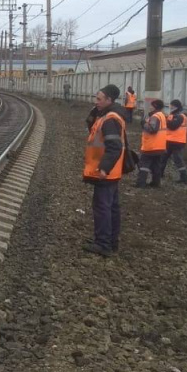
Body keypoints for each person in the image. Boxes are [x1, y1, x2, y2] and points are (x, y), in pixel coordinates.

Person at [83, 84, 126, 258]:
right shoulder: (107, 116)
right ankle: (110, 242)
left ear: (109, 100)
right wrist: (95, 111)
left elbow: (114, 147)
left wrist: (104, 168)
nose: (96, 101)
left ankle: (103, 244)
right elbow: (91, 126)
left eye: (99, 99)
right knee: (112, 208)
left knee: (103, 208)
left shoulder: (109, 120)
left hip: (105, 173)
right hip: (110, 172)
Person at [137, 99, 167, 188]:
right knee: (156, 166)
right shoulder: (162, 115)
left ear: (155, 106)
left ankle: (141, 183)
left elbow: (152, 129)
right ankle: (155, 183)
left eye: (151, 105)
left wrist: (144, 123)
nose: (150, 107)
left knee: (143, 165)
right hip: (160, 146)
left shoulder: (155, 116)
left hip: (151, 146)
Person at [159, 99, 187, 184]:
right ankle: (160, 174)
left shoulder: (180, 116)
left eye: (172, 105)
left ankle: (184, 178)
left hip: (177, 142)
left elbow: (173, 126)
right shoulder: (173, 115)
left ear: (176, 106)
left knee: (178, 160)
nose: (170, 107)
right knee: (163, 158)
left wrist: (165, 120)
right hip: (170, 140)